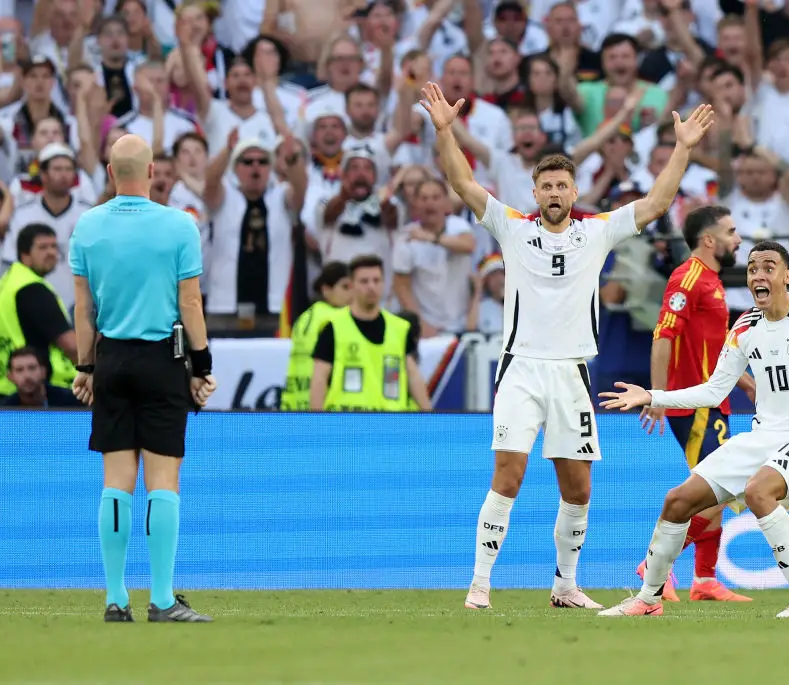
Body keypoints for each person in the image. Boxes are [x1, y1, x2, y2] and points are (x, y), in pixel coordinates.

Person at [418, 80, 714, 610]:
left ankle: (565, 586)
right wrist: (446, 133)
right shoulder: (512, 228)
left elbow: (657, 201)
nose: (554, 194)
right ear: (534, 193)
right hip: (522, 369)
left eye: (562, 186)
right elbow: (461, 181)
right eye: (546, 186)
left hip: (572, 373)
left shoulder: (596, 231)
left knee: (578, 490)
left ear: (574, 192)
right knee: (507, 475)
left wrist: (685, 148)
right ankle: (480, 584)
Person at [597, 241, 789, 619]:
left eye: (769, 267)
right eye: (752, 268)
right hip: (762, 437)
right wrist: (652, 394)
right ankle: (648, 600)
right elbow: (714, 389)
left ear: (787, 276)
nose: (759, 274)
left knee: (760, 493)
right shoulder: (745, 326)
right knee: (677, 501)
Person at [68, 133, 216, 623]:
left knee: (115, 481)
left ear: (111, 173)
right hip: (162, 358)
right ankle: (161, 598)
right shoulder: (179, 225)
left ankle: (114, 598)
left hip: (111, 359)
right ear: (153, 172)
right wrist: (202, 366)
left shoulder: (87, 226)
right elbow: (190, 303)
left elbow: (84, 309)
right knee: (163, 481)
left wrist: (85, 367)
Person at [636, 205, 756, 603]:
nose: (738, 239)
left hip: (713, 402)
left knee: (719, 493)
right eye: (732, 231)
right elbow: (663, 336)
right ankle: (657, 564)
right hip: (693, 405)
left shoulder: (712, 281)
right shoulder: (688, 278)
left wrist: (746, 383)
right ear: (709, 239)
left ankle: (704, 580)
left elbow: (716, 345)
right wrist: (657, 395)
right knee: (715, 491)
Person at [308, 255, 431, 413]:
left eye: (376, 280)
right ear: (352, 285)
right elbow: (319, 378)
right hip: (347, 424)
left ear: (384, 283)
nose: (371, 287)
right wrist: (316, 423)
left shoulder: (399, 328)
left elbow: (413, 376)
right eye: (364, 281)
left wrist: (429, 416)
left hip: (388, 425)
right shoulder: (334, 327)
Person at [0, 224, 78, 403]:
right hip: (24, 389)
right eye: (43, 247)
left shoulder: (11, 279)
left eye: (54, 246)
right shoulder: (32, 288)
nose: (51, 252)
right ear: (25, 253)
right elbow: (71, 346)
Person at [281, 261, 352, 411]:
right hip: (322, 401)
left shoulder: (305, 316)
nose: (352, 293)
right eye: (345, 287)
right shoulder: (338, 318)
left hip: (294, 400)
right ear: (326, 290)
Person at [0, 346, 81, 408]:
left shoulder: (71, 402)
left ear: (43, 372)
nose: (27, 375)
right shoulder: (4, 409)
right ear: (10, 377)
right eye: (19, 370)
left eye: (32, 368)